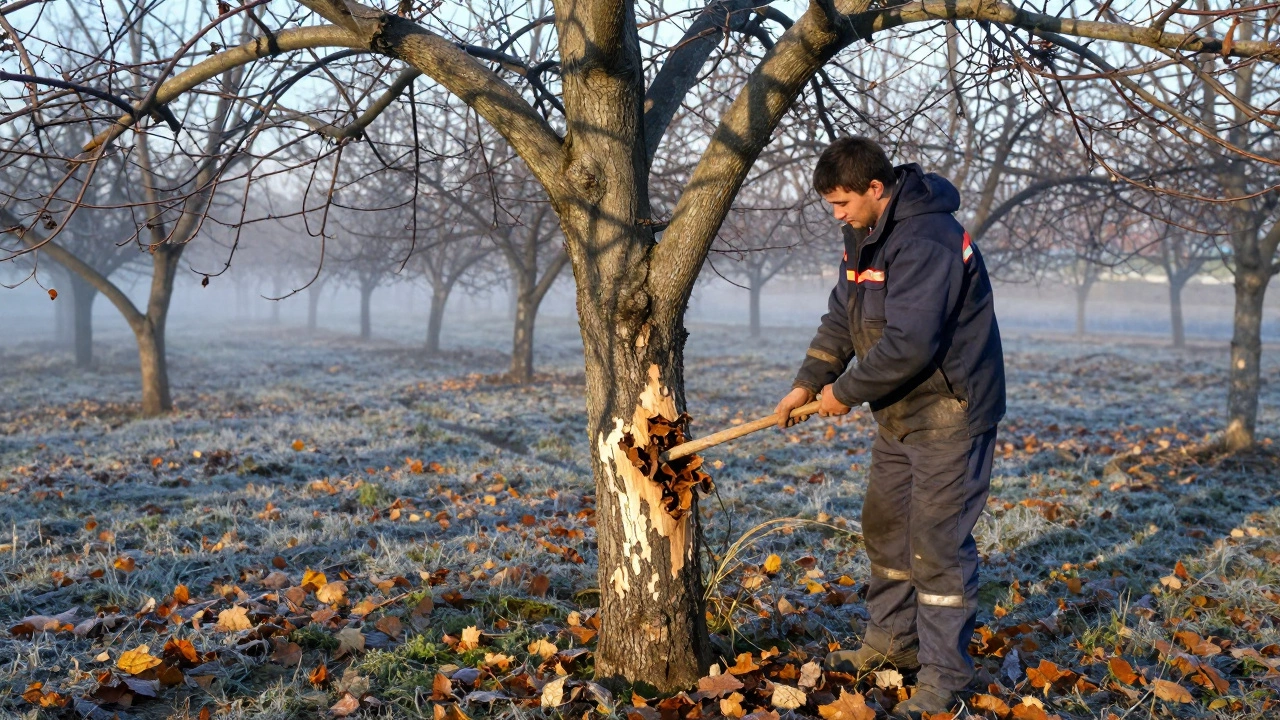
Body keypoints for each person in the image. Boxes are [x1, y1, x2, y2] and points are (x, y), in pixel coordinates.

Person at [774, 137, 1005, 719]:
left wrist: (843, 394)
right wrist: (809, 381)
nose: (838, 214)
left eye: (843, 202)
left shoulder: (927, 239)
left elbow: (909, 342)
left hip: (949, 409)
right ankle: (891, 641)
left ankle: (943, 677)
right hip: (900, 411)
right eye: (831, 205)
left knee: (935, 545)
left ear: (876, 188)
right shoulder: (866, 234)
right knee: (885, 527)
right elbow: (842, 315)